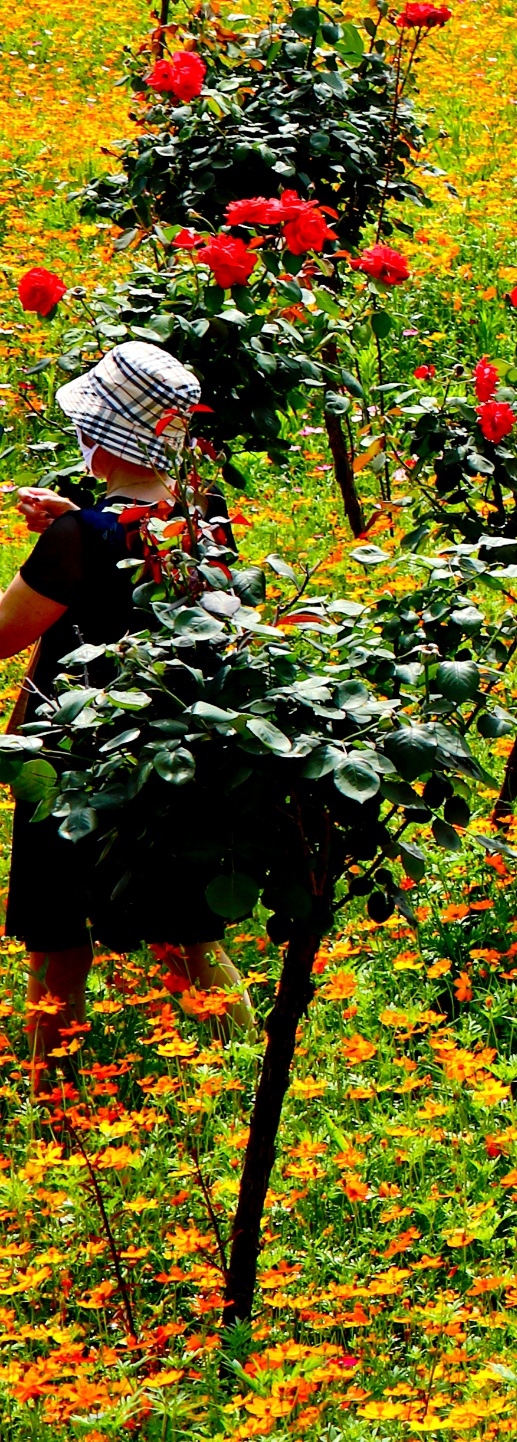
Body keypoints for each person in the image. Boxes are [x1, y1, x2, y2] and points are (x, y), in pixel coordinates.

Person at [4, 341, 256, 1081]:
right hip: (169, 744)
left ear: (97, 435)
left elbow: (5, 633)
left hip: (71, 757)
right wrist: (75, 521)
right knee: (189, 931)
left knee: (57, 940)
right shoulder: (201, 516)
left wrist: (67, 532)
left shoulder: (80, 537)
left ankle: (55, 1092)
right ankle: (242, 1074)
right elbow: (138, 557)